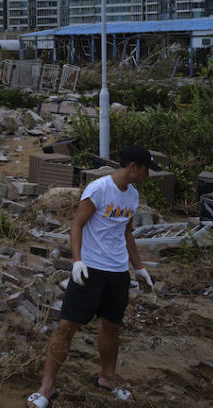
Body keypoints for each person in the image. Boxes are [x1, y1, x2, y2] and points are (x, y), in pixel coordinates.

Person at [27, 146, 159, 408]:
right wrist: (77, 262)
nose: (148, 175)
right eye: (146, 169)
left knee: (111, 326)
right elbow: (77, 225)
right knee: (66, 327)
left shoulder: (132, 195)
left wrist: (139, 267)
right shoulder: (99, 189)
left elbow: (127, 232)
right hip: (91, 270)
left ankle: (108, 378)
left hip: (118, 272)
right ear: (133, 167)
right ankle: (46, 388)